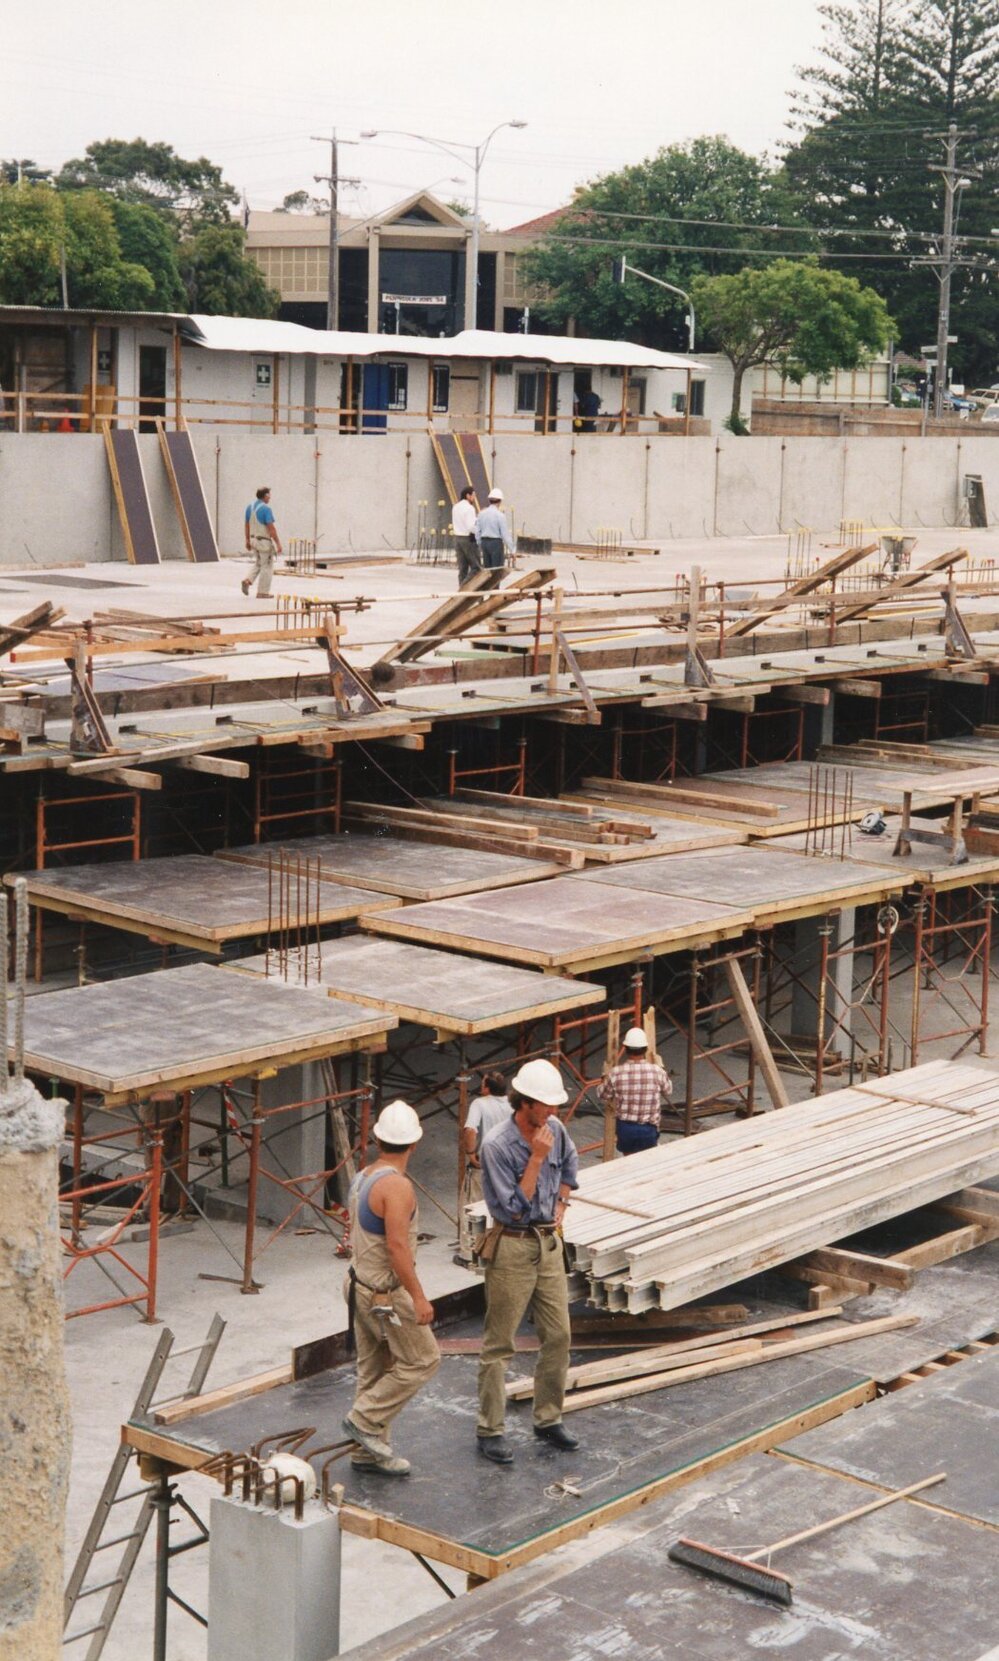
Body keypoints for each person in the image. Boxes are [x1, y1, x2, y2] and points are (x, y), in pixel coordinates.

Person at [475, 1058, 579, 1464]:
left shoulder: (556, 1129)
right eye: (546, 1106)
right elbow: (512, 1209)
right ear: (525, 1102)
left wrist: (563, 1203)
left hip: (548, 1244)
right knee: (500, 1343)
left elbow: (570, 1166)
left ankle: (548, 1418)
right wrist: (535, 1159)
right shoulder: (497, 1146)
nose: (552, 1113)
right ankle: (490, 1429)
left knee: (559, 1336)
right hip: (514, 1244)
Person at [342, 1099, 440, 1478]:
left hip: (357, 1284)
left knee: (375, 1369)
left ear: (378, 1138)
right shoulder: (397, 1187)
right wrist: (417, 1296)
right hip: (384, 1293)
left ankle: (367, 1453)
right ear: (414, 1144)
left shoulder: (364, 1175)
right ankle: (363, 1421)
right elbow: (398, 1247)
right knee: (422, 1360)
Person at [456, 1072, 510, 1265]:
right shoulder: (512, 1104)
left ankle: (469, 1254)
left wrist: (471, 1153)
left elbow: (471, 1130)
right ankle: (496, 1248)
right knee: (500, 1208)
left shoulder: (480, 1104)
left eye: (483, 1084)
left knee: (472, 1208)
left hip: (484, 1165)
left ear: (487, 1088)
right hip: (506, 1166)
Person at [598, 1026, 673, 1155]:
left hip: (626, 1128)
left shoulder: (616, 1073)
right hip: (649, 1128)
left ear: (626, 1049)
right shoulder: (657, 1071)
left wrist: (604, 1077)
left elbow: (603, 1095)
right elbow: (668, 1090)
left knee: (628, 1159)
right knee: (646, 1161)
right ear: (645, 1048)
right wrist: (662, 1067)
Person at [242, 486, 282, 597]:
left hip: (253, 540)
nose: (270, 498)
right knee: (267, 566)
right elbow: (271, 528)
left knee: (259, 563)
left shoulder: (249, 507)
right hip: (264, 542)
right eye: (269, 495)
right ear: (265, 496)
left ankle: (247, 580)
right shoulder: (266, 509)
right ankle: (263, 592)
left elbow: (247, 525)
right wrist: (278, 543)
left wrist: (247, 540)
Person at [474, 487, 515, 571]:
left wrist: (479, 543)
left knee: (487, 571)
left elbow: (477, 531)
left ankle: (488, 585)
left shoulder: (481, 514)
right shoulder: (500, 516)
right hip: (496, 543)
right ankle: (495, 585)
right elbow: (505, 535)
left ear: (489, 500)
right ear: (500, 501)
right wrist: (512, 550)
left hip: (484, 542)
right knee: (497, 571)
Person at [451, 485, 480, 588]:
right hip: (468, 539)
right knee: (476, 567)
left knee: (462, 568)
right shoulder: (469, 508)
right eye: (473, 496)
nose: (474, 498)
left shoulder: (455, 507)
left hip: (457, 538)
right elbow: (471, 527)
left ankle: (461, 593)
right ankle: (464, 587)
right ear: (468, 496)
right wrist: (479, 532)